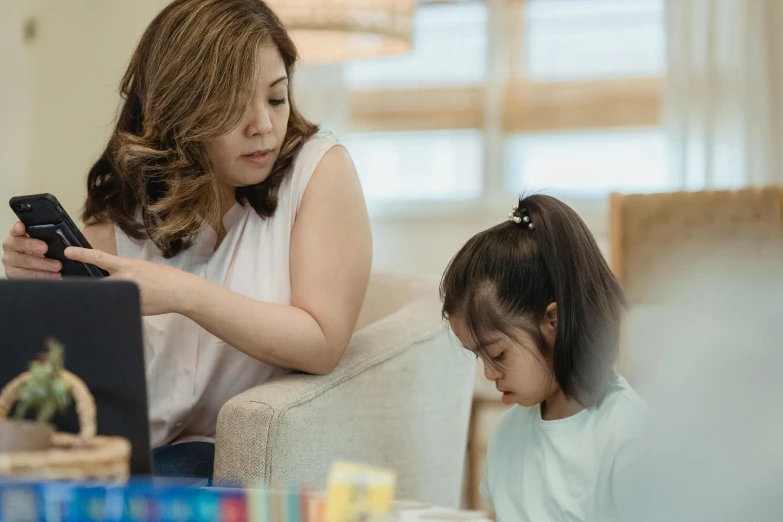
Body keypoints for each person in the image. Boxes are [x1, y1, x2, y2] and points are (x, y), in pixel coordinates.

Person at [1, 0, 372, 480]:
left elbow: (321, 341)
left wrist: (181, 293)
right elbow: (77, 362)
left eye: (276, 99)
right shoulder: (130, 204)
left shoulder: (319, 171)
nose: (264, 125)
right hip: (122, 454)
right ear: (180, 109)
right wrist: (34, 283)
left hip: (212, 457)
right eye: (233, 105)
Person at [440, 194, 645, 521]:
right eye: (478, 357)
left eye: (497, 354)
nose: (489, 374)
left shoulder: (628, 435)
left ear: (554, 321)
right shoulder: (508, 435)